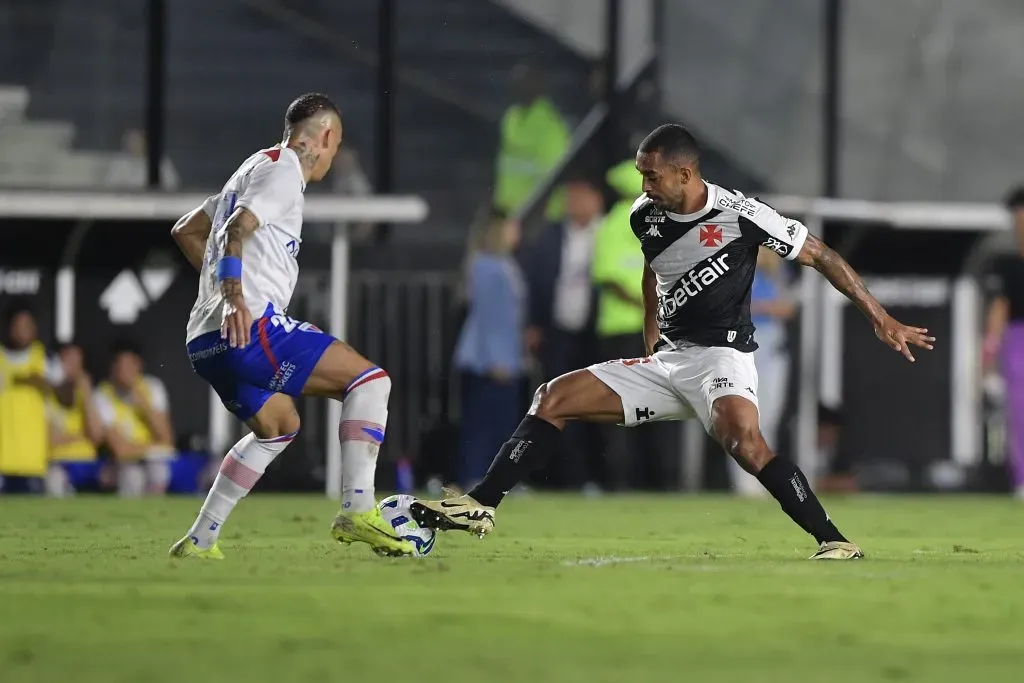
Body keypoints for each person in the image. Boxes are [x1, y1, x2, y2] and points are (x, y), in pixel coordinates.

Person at [411, 124, 936, 560]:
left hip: (722, 356)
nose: (644, 183)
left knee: (746, 446)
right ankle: (481, 503)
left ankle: (834, 541)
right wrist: (650, 333)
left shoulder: (742, 216)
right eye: (642, 173)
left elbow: (821, 255)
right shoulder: (645, 215)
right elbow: (653, 270)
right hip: (668, 361)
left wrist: (880, 317)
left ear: (685, 173)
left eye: (651, 174)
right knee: (553, 397)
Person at [168, 93, 413, 559]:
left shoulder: (250, 168)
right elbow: (237, 228)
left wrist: (220, 294)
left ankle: (200, 540)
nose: (333, 156)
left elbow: (186, 230)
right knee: (370, 381)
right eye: (336, 145)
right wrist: (235, 297)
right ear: (324, 137)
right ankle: (358, 511)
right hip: (251, 324)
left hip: (203, 341)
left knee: (278, 426)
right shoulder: (284, 171)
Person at [520, 176, 602, 490]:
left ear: (596, 200)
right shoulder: (551, 236)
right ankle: (569, 478)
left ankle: (600, 475)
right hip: (558, 332)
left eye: (581, 196)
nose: (574, 204)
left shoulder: (610, 232)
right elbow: (537, 281)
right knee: (558, 403)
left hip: (596, 333)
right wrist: (534, 324)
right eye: (571, 197)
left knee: (599, 407)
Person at [453, 209, 525, 490]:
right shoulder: (484, 266)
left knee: (503, 422)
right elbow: (487, 316)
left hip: (507, 356)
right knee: (483, 422)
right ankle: (474, 476)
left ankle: (499, 479)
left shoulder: (505, 263)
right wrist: (496, 359)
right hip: (487, 360)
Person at [729, 247, 797, 496]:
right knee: (744, 417)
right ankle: (745, 483)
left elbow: (787, 308)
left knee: (770, 415)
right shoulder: (736, 269)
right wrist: (765, 308)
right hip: (744, 347)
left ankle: (766, 478)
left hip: (771, 346)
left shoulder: (778, 274)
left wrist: (762, 307)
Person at [92, 340, 176, 497]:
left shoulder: (152, 387)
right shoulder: (103, 395)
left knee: (159, 472)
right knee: (133, 476)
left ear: (139, 365)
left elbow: (167, 438)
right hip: (118, 465)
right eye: (122, 366)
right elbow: (120, 450)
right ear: (113, 368)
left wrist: (144, 406)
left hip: (152, 462)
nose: (126, 371)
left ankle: (156, 517)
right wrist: (153, 449)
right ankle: (128, 521)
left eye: (131, 365)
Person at [982, 186, 1024, 497]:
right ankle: (1022, 479)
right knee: (1019, 412)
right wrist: (990, 352)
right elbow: (1000, 307)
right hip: (1018, 338)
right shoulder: (1006, 264)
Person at [0, 303, 64, 493]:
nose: (22, 331)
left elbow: (67, 399)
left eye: (27, 326)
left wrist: (44, 383)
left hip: (33, 459)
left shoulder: (46, 359)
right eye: (18, 326)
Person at [46, 342, 104, 496]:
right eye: (68, 362)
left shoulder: (87, 394)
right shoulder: (45, 395)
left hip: (86, 463)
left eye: (77, 363)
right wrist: (81, 436)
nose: (73, 369)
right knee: (54, 479)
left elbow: (97, 436)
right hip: (57, 462)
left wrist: (86, 396)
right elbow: (48, 439)